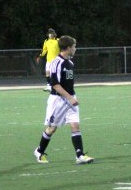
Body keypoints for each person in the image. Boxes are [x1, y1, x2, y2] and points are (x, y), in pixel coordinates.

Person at [34, 35, 94, 165]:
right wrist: (70, 98)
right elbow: (55, 84)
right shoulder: (56, 63)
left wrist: (72, 97)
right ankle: (39, 151)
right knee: (52, 129)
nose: (75, 49)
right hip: (58, 100)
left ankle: (80, 155)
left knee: (75, 125)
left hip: (71, 99)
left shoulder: (70, 63)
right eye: (74, 47)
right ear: (67, 48)